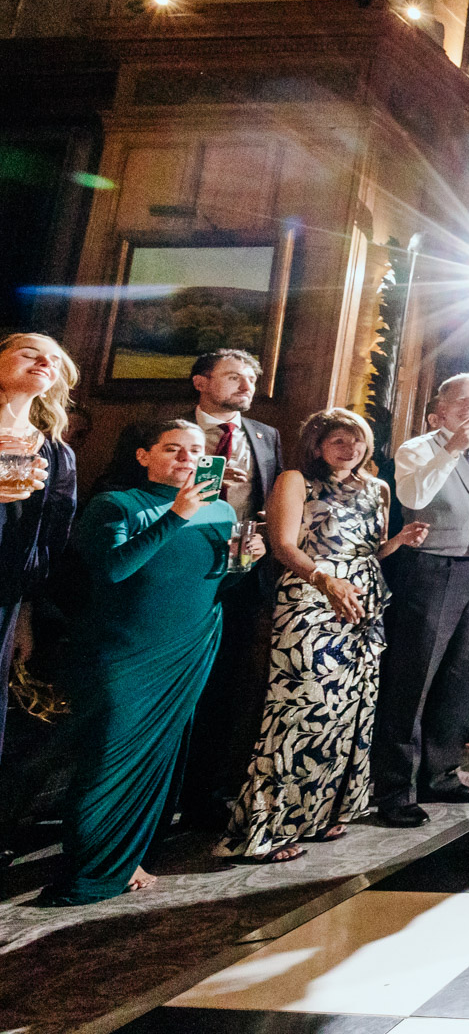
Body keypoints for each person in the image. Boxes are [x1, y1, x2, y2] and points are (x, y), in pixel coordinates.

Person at [39, 420, 259, 904]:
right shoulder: (114, 504)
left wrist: (244, 562)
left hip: (191, 645)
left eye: (195, 452)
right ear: (144, 455)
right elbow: (114, 571)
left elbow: (211, 583)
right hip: (124, 649)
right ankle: (90, 869)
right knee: (107, 761)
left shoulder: (220, 509)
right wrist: (176, 515)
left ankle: (131, 856)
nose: (186, 460)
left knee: (161, 759)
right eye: (173, 450)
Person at [220, 409, 428, 862]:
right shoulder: (296, 480)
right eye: (339, 441)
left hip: (364, 602)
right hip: (310, 599)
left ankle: (320, 814)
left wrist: (399, 541)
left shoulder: (378, 487)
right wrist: (325, 582)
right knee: (300, 709)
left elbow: (370, 550)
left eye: (358, 442)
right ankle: (267, 830)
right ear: (317, 445)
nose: (350, 449)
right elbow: (283, 545)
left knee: (348, 712)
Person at [371, 373, 469, 827]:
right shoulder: (418, 448)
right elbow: (413, 495)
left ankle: (442, 773)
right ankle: (396, 788)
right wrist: (452, 447)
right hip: (431, 569)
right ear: (438, 412)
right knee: (413, 677)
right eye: (462, 403)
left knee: (461, 678)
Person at [177, 348, 285, 829]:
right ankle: (159, 794)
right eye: (233, 377)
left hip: (241, 577)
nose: (246, 386)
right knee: (179, 688)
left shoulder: (265, 436)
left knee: (226, 689)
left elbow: (269, 502)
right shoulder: (168, 430)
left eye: (251, 379)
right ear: (201, 381)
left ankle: (206, 795)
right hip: (178, 573)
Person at [0, 333, 78, 768]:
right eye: (29, 352)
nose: (42, 361)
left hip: (4, 598)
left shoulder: (56, 453)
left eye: (53, 360)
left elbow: (49, 540)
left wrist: (25, 616)